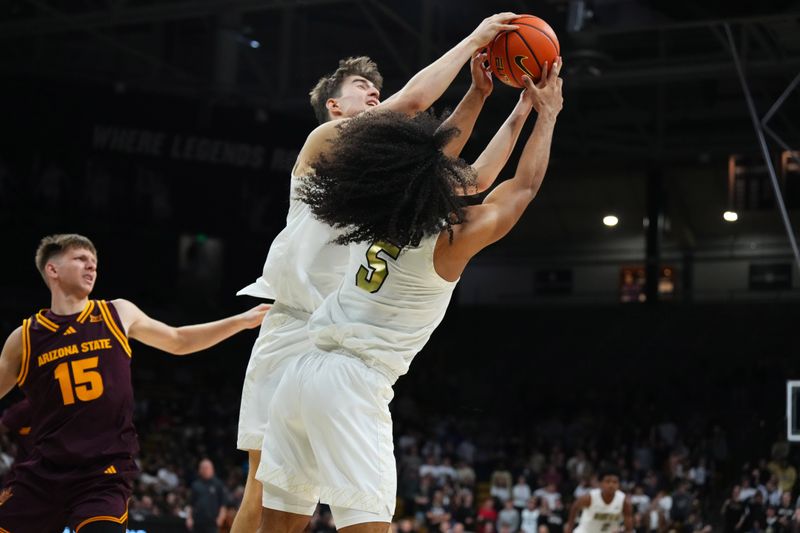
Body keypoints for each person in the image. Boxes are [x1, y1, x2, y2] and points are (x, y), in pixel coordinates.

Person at [231, 12, 522, 533]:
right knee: (262, 489)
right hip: (295, 325)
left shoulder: (381, 180)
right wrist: (474, 40)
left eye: (376, 88)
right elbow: (411, 104)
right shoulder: (324, 144)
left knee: (302, 505)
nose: (374, 93)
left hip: (336, 342)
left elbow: (448, 166)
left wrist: (479, 96)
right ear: (334, 107)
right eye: (362, 87)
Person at [0, 233, 269, 533]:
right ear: (53, 270)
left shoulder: (116, 313)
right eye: (81, 259)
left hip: (101, 474)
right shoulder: (24, 338)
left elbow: (178, 340)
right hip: (43, 472)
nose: (91, 267)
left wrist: (240, 321)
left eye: (95, 263)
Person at [565, 468, 633, 533]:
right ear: (600, 483)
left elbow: (629, 529)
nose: (611, 485)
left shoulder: (624, 501)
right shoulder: (589, 498)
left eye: (615, 482)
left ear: (619, 484)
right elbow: (574, 507)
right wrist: (570, 527)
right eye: (607, 481)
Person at [187, 458, 229, 533]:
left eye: (207, 468)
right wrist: (189, 518)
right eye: (203, 468)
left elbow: (223, 504)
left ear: (212, 469)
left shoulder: (218, 484)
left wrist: (220, 518)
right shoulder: (195, 485)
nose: (205, 470)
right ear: (200, 470)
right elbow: (191, 504)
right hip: (197, 522)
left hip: (212, 522)